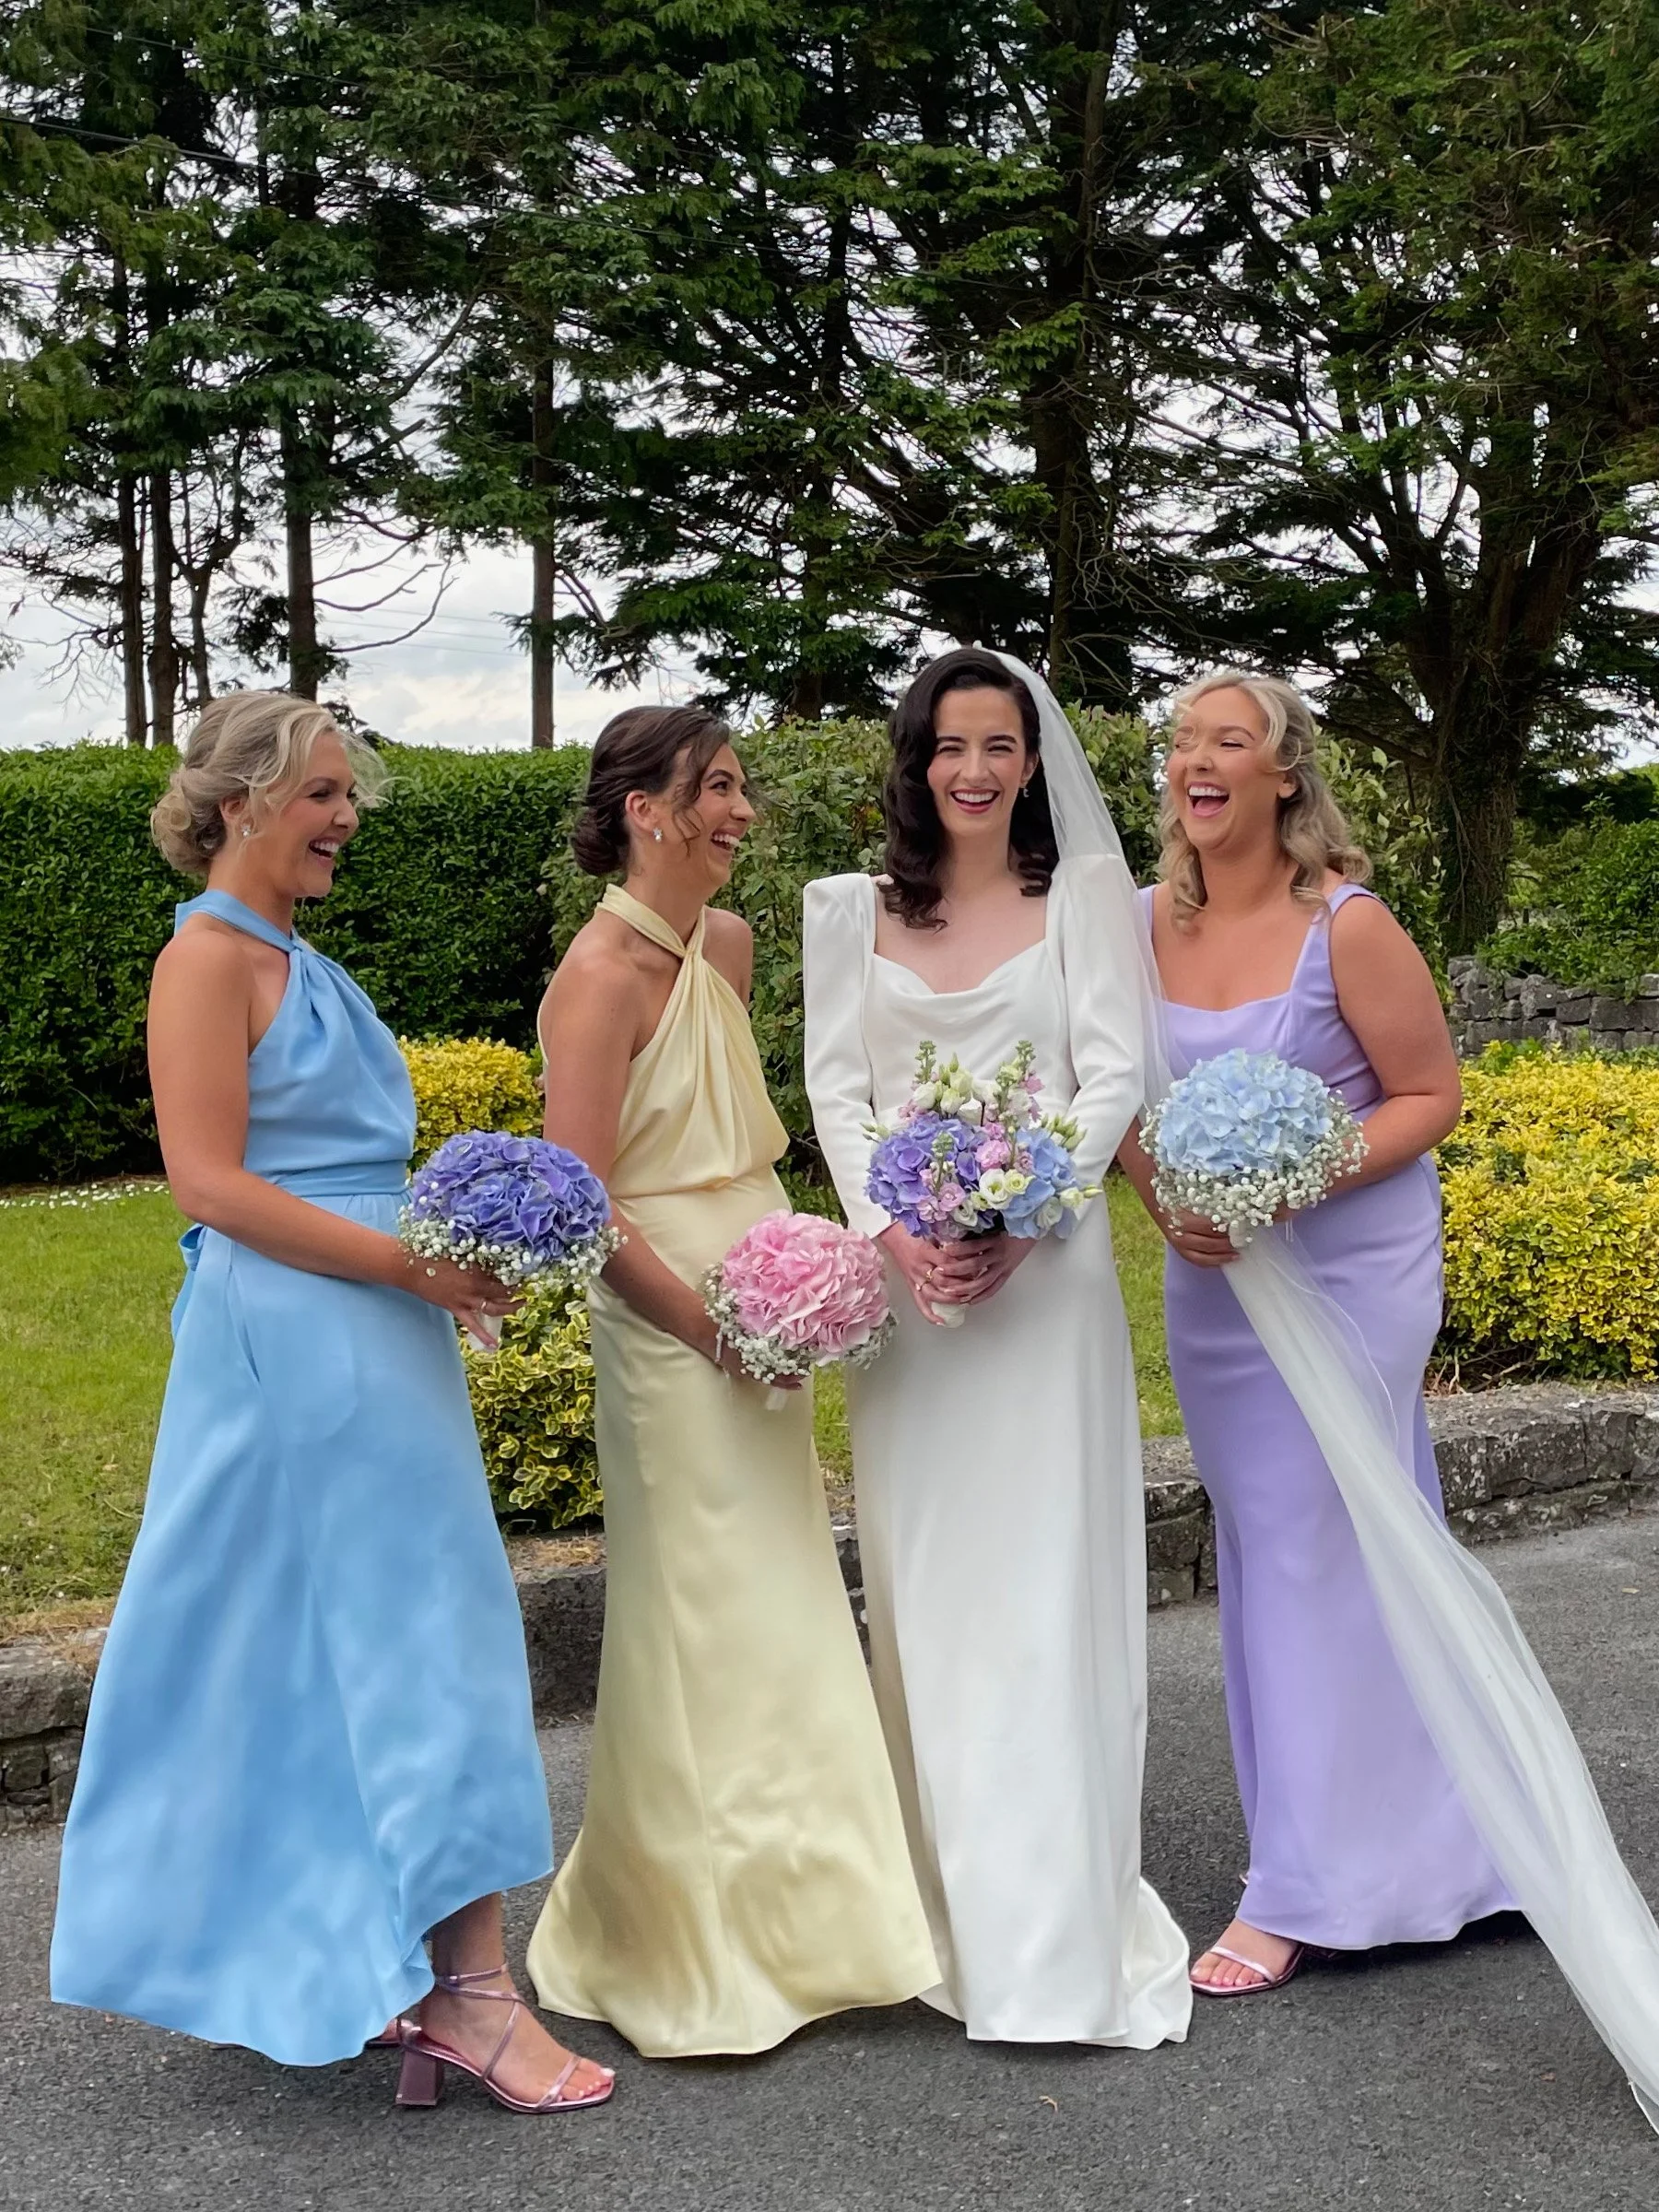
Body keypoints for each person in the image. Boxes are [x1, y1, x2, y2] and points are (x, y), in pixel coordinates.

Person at [50, 692, 613, 2116]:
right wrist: (412, 1266)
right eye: (320, 791)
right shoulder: (209, 962)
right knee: (388, 1642)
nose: (345, 815)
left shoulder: (301, 958)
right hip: (294, 1344)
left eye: (347, 792)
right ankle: (472, 1994)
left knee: (389, 1642)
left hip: (375, 1330)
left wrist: (457, 1254)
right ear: (239, 801)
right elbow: (212, 1187)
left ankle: (400, 1967)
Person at [524, 705, 936, 2059]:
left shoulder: (731, 946)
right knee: (695, 1620)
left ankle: (815, 1920)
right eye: (715, 789)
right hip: (671, 1341)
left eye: (740, 788)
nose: (740, 813)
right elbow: (582, 1205)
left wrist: (789, 1289)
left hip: (771, 1315)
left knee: (783, 1602)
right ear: (644, 809)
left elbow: (726, 1139)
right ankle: (681, 1938)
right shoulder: (593, 979)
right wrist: (711, 1330)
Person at [802, 647, 1192, 2048]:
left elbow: (1112, 1075)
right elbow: (839, 1097)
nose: (974, 771)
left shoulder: (1083, 896)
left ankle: (1054, 1926)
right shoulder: (846, 912)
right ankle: (938, 1909)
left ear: (1033, 763)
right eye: (949, 747)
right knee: (933, 1590)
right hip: (917, 1302)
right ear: (914, 763)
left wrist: (1031, 1219)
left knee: (1047, 1582)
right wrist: (894, 1234)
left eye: (1000, 747)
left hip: (1047, 1284)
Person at [1117, 668, 1509, 1996]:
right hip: (1216, 1281)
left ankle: (1302, 1887)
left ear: (1285, 775)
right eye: (1183, 743)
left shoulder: (1348, 923)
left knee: (1325, 1540)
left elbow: (1429, 1095)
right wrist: (1166, 1193)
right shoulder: (1135, 925)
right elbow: (1114, 1095)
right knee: (1278, 1545)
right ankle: (1454, 1849)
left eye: (1230, 741)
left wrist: (1288, 1177)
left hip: (1352, 1267)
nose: (1197, 760)